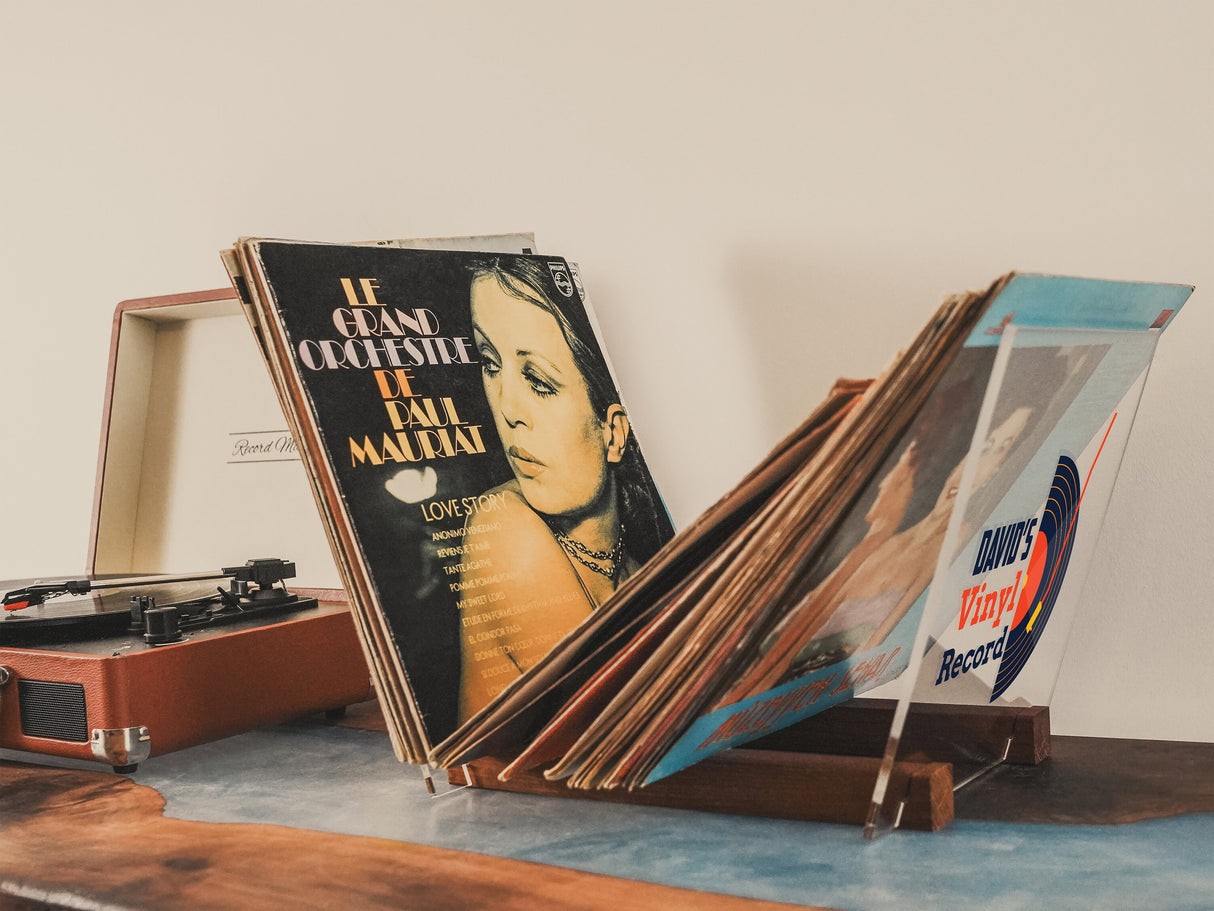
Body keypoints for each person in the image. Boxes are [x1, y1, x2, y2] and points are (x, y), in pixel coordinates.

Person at [456, 257, 672, 721]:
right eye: (490, 363)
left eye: (537, 380)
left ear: (613, 432)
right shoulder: (503, 523)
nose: (507, 408)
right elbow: (624, 719)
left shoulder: (638, 571)